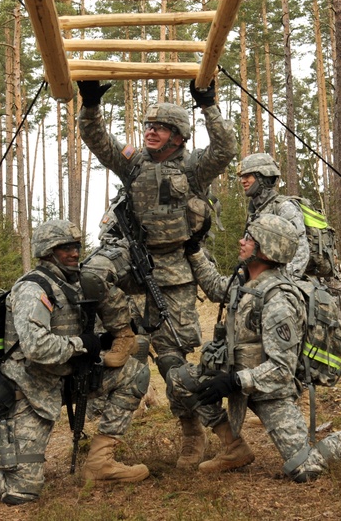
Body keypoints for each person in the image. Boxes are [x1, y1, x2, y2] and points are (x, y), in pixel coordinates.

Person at [168, 213, 341, 481]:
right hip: (236, 377)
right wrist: (195, 251)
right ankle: (235, 448)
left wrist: (235, 381)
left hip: (269, 389)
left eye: (249, 238)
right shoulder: (244, 281)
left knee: (304, 468)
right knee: (179, 380)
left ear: (266, 249)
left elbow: (282, 370)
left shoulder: (279, 301)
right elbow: (216, 288)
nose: (241, 241)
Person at [77, 78, 236, 469]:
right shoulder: (134, 163)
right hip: (132, 263)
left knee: (174, 367)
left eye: (159, 127)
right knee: (92, 274)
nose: (149, 131)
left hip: (175, 276)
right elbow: (98, 140)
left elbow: (225, 148)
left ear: (178, 137)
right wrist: (91, 103)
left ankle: (196, 433)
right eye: (148, 125)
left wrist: (209, 105)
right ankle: (123, 332)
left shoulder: (194, 168)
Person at [0, 220, 151, 505]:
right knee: (21, 491)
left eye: (76, 246)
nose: (74, 253)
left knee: (134, 373)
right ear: (47, 252)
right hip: (31, 392)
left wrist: (102, 341)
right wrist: (82, 345)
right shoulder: (33, 289)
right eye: (64, 248)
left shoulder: (78, 283)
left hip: (70, 379)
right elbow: (35, 347)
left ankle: (100, 462)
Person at [238, 152, 309, 278]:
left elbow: (301, 253)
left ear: (263, 177)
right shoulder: (255, 211)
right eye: (242, 177)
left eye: (248, 176)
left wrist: (281, 285)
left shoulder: (284, 208)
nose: (243, 181)